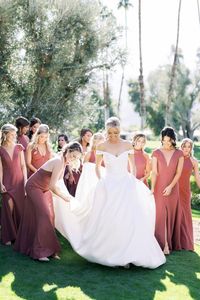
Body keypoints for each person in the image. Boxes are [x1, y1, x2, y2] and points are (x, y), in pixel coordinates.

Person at [54, 117, 166, 268]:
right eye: (110, 132)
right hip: (109, 185)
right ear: (106, 131)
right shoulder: (102, 146)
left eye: (116, 132)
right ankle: (111, 254)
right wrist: (102, 182)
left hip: (126, 184)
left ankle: (129, 254)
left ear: (119, 130)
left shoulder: (127, 145)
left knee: (128, 219)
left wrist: (132, 181)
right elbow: (97, 167)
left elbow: (132, 167)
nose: (113, 135)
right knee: (110, 219)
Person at [14, 142, 82, 261]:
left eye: (76, 157)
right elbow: (52, 186)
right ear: (68, 150)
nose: (73, 158)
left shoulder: (64, 163)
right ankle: (40, 252)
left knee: (50, 216)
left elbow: (56, 184)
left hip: (44, 188)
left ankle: (50, 249)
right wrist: (63, 197)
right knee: (45, 215)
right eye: (73, 155)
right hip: (34, 187)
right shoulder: (58, 161)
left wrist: (67, 196)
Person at [151, 127, 184, 254]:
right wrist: (153, 188)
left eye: (168, 141)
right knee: (161, 215)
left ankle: (169, 242)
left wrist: (170, 186)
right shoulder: (156, 152)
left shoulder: (179, 153)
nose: (166, 143)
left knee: (170, 214)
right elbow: (154, 172)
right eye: (164, 141)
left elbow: (178, 173)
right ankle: (164, 245)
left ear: (173, 140)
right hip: (159, 187)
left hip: (172, 188)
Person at [0, 124, 27, 245]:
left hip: (19, 181)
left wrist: (26, 181)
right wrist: (0, 183)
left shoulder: (19, 147)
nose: (12, 136)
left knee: (19, 208)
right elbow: (0, 168)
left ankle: (19, 235)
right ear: (5, 134)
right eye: (10, 134)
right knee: (8, 206)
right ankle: (7, 235)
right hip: (7, 181)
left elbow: (23, 166)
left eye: (14, 134)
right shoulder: (0, 149)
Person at [179, 138, 200, 251]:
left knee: (186, 215)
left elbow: (197, 177)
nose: (186, 149)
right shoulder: (176, 157)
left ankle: (187, 242)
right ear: (181, 146)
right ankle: (174, 241)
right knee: (175, 215)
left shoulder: (193, 161)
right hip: (174, 189)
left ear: (191, 148)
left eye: (189, 147)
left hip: (185, 191)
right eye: (184, 146)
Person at [64, 128, 93, 196]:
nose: (90, 138)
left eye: (91, 136)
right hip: (73, 171)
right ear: (82, 136)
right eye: (88, 135)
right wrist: (70, 174)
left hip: (83, 172)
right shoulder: (76, 146)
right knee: (72, 191)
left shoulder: (90, 148)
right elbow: (69, 160)